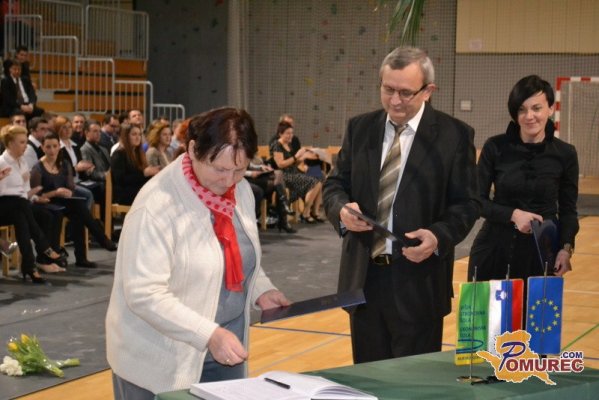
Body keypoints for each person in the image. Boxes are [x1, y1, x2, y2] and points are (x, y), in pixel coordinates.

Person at [105, 107, 290, 399]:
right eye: (219, 169)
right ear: (193, 150)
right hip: (159, 359)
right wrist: (208, 334)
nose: (229, 180)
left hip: (224, 348)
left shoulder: (239, 190)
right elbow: (144, 293)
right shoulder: (156, 205)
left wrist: (260, 289)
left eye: (239, 169)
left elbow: (234, 252)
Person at [323, 46, 479, 363]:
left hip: (419, 282)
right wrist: (341, 210)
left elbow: (467, 204)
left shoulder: (454, 136)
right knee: (367, 381)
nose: (395, 101)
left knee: (414, 383)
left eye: (406, 93)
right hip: (364, 281)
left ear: (428, 91)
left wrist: (438, 236)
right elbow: (335, 185)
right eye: (388, 89)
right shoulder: (359, 128)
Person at [468, 75, 579, 286]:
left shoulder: (565, 153)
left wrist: (566, 249)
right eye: (521, 109)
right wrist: (513, 215)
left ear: (551, 109)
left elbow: (568, 211)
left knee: (536, 309)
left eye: (536, 108)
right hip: (493, 251)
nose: (529, 116)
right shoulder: (495, 147)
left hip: (542, 253)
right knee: (487, 310)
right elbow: (476, 200)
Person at [30, 131, 117, 268]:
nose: (52, 150)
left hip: (61, 199)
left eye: (55, 146)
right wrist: (55, 192)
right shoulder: (38, 168)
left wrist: (68, 192)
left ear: (59, 146)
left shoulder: (64, 164)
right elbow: (35, 196)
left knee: (79, 208)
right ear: (42, 148)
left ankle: (82, 257)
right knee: (75, 210)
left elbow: (70, 186)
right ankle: (102, 240)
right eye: (48, 147)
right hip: (46, 202)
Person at [0, 125, 67, 283]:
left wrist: (34, 196)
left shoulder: (23, 162)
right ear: (10, 144)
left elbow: (24, 191)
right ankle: (44, 247)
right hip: (2, 206)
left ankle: (29, 267)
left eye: (25, 142)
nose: (26, 146)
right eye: (22, 142)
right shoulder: (1, 162)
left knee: (22, 217)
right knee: (21, 206)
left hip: (17, 207)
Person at [272, 121, 324, 223]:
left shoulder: (288, 144)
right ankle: (305, 213)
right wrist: (296, 156)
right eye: (287, 133)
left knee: (320, 175)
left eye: (291, 133)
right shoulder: (277, 145)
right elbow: (281, 164)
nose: (290, 135)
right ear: (280, 134)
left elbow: (293, 163)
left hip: (294, 171)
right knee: (314, 181)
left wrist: (302, 157)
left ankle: (315, 212)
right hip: (284, 175)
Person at [110, 123, 160, 205]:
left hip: (136, 190)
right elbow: (121, 180)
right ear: (126, 137)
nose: (138, 137)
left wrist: (151, 174)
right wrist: (144, 173)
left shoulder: (138, 154)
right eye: (134, 134)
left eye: (139, 134)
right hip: (125, 194)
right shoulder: (119, 154)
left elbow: (140, 177)